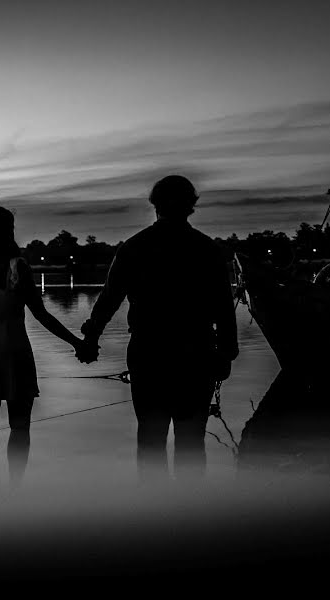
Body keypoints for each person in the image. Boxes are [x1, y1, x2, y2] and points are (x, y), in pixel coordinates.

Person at [80, 175, 238, 479]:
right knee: (191, 441)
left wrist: (91, 338)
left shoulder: (135, 247)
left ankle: (153, 513)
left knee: (150, 439)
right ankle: (187, 511)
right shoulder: (207, 250)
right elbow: (223, 306)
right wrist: (227, 352)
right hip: (197, 354)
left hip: (149, 354)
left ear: (155, 205)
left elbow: (109, 298)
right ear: (191, 205)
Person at [0, 207, 95, 487]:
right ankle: (15, 490)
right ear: (8, 230)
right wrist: (77, 343)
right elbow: (41, 314)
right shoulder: (17, 266)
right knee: (19, 425)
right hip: (12, 347)